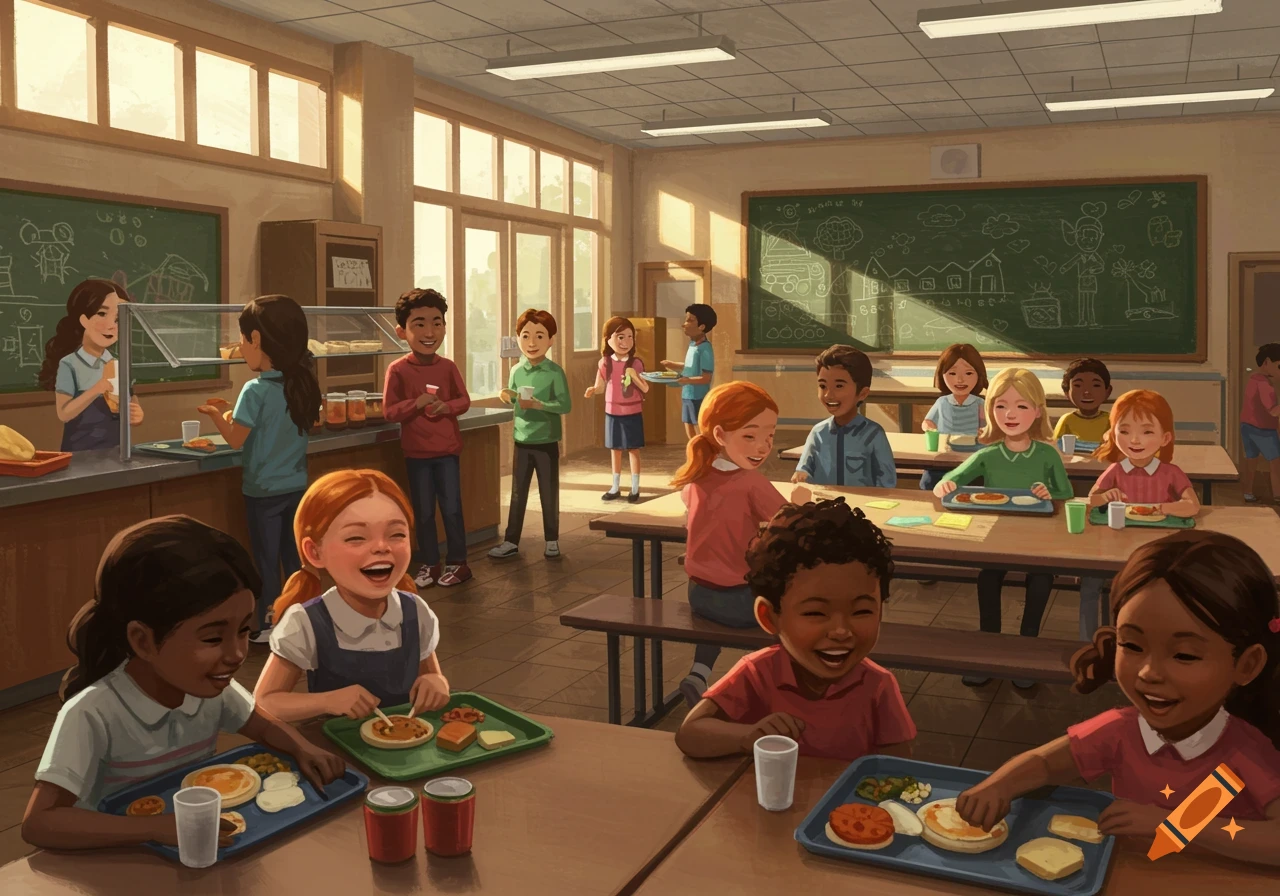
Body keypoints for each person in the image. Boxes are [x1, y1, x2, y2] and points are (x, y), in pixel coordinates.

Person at [955, 531, 1280, 867]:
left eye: (1184, 655)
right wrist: (998, 786)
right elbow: (1046, 762)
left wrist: (1174, 826)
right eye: (1133, 646)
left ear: (1247, 664)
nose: (1148, 673)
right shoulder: (1122, 730)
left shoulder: (1245, 750)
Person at [22, 516, 344, 850]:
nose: (237, 654)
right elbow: (40, 822)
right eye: (213, 638)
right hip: (115, 857)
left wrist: (301, 747)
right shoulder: (91, 713)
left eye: (244, 631)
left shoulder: (211, 689)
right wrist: (155, 828)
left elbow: (262, 726)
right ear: (143, 641)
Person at [676, 498, 916, 761]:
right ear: (769, 617)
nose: (840, 631)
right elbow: (690, 733)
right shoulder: (758, 673)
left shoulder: (877, 685)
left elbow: (899, 771)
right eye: (815, 613)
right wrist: (746, 736)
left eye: (861, 612)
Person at [253, 469, 450, 723]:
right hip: (338, 755)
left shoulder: (415, 611)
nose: (381, 546)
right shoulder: (306, 622)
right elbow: (265, 701)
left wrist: (436, 682)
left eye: (397, 534)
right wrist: (327, 701)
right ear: (315, 552)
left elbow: (432, 675)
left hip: (410, 748)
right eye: (356, 537)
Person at [672, 381, 810, 707]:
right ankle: (775, 684)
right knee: (788, 603)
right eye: (750, 436)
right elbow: (793, 521)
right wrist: (802, 501)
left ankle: (699, 672)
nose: (762, 447)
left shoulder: (696, 475)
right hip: (740, 601)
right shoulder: (750, 482)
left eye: (770, 437)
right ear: (720, 436)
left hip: (699, 594)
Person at [934, 368, 1072, 688]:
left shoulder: (1047, 454)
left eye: (1022, 406)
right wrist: (946, 484)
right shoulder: (989, 454)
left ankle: (1026, 650)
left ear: (1037, 411)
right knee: (988, 578)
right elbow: (950, 481)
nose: (1010, 414)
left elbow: (1065, 493)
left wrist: (1048, 493)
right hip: (996, 537)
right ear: (989, 410)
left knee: (1039, 582)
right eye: (1001, 406)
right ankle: (989, 650)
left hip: (1038, 539)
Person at [198, 295, 320, 643]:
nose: (240, 347)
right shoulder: (302, 383)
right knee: (294, 560)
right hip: (297, 484)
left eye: (243, 339)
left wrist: (214, 416)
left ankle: (268, 625)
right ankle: (300, 620)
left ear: (257, 340)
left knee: (266, 562)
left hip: (263, 490)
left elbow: (236, 440)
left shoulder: (254, 390)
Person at [1081, 390, 1200, 640]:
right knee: (1090, 581)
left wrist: (1161, 507)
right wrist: (1106, 495)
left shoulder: (1170, 472)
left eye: (1147, 432)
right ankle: (1090, 643)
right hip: (1116, 545)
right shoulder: (1115, 470)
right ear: (1112, 434)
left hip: (1155, 550)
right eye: (1124, 431)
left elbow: (1192, 506)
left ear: (1165, 437)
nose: (1135, 440)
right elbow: (1091, 500)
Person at [384, 288, 472, 588]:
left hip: (447, 450)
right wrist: (416, 404)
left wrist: (446, 406)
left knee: (451, 508)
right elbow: (389, 411)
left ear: (445, 327)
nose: (430, 331)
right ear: (402, 331)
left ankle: (459, 563)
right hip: (416, 453)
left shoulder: (448, 367)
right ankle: (430, 564)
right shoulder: (397, 370)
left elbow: (464, 400)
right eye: (419, 324)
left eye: (437, 322)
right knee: (422, 512)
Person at [488, 309, 572, 561]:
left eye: (539, 336)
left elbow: (565, 406)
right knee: (517, 492)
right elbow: (514, 397)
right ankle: (511, 540)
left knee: (548, 491)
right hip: (521, 439)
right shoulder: (516, 371)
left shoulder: (555, 372)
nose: (532, 343)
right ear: (518, 339)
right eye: (525, 336)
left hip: (546, 440)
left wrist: (540, 405)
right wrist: (508, 395)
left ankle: (552, 540)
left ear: (551, 340)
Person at [38, 278, 143, 452]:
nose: (111, 325)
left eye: (118, 319)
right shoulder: (69, 364)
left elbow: (132, 400)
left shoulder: (117, 363)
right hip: (80, 456)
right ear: (84, 319)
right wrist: (96, 389)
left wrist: (137, 413)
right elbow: (64, 413)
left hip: (117, 452)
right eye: (102, 314)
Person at [791, 344, 895, 488]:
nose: (828, 394)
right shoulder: (818, 433)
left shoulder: (873, 434)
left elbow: (886, 482)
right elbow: (804, 469)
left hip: (861, 507)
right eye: (823, 386)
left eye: (839, 386)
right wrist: (801, 475)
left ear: (862, 393)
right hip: (824, 504)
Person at [583, 316, 650, 503]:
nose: (626, 342)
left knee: (633, 449)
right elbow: (601, 386)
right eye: (621, 337)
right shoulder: (605, 362)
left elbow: (645, 388)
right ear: (608, 339)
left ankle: (635, 487)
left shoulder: (636, 363)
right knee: (615, 449)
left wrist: (634, 376)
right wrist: (593, 390)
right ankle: (615, 486)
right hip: (612, 411)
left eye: (630, 337)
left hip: (633, 411)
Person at [920, 343, 987, 492]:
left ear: (979, 374)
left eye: (969, 373)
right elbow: (928, 421)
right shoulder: (942, 402)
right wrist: (929, 427)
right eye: (952, 373)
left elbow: (986, 425)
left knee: (976, 484)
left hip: (973, 455)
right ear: (942, 375)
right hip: (946, 453)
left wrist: (985, 431)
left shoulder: (980, 403)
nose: (960, 380)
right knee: (930, 481)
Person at [661, 305, 716, 439]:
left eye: (690, 320)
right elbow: (690, 367)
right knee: (688, 426)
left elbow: (706, 378)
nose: (684, 324)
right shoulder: (692, 345)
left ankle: (703, 455)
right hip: (687, 395)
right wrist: (672, 365)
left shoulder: (705, 349)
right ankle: (694, 452)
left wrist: (686, 380)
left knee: (699, 428)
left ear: (702, 327)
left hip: (698, 396)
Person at [1241, 343, 1280, 504]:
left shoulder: (1253, 379)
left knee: (1251, 460)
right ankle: (1278, 495)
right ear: (1267, 362)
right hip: (1263, 429)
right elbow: (1272, 411)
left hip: (1246, 426)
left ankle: (1248, 492)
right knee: (1276, 462)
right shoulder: (1265, 385)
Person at [1054, 358, 1113, 446]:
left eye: (1095, 385)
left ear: (1107, 391)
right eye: (1078, 385)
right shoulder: (1067, 420)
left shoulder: (1111, 420)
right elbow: (1055, 447)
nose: (1087, 392)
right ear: (1067, 391)